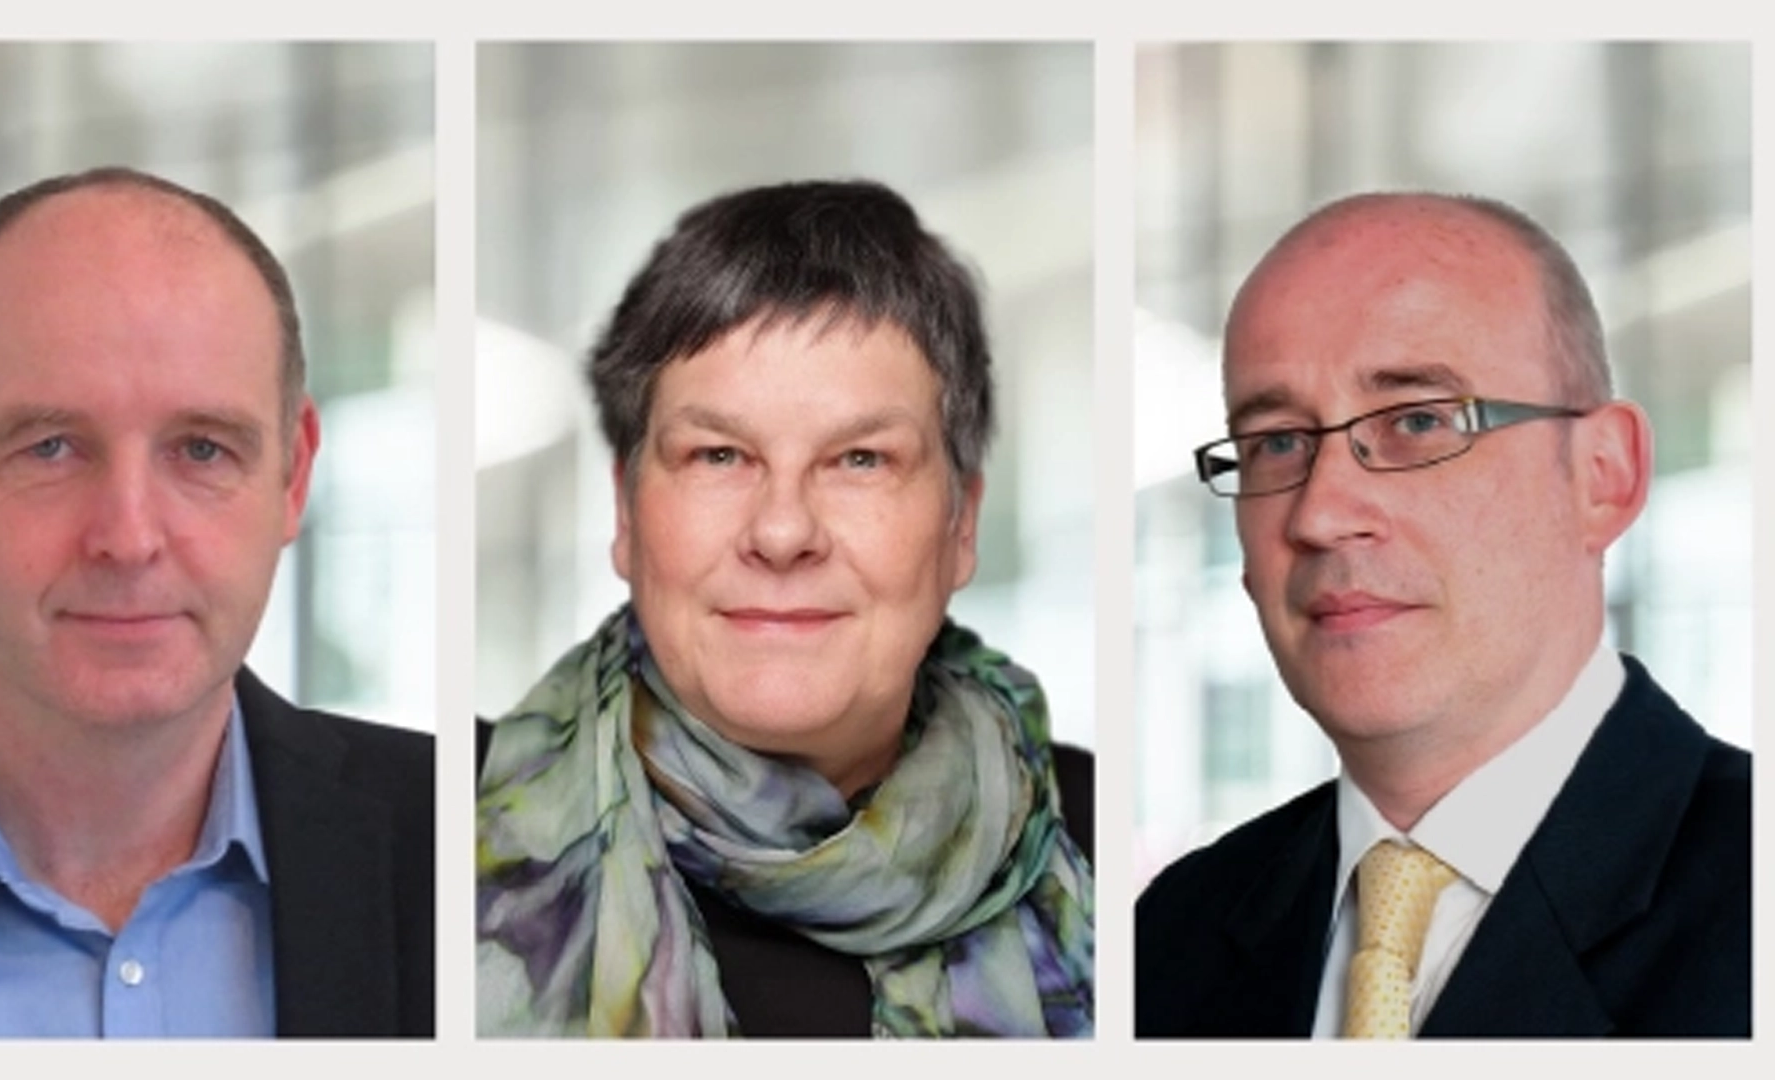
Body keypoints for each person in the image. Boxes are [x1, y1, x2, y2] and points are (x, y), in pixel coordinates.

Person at [0, 167, 434, 1038]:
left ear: (293, 475)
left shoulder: (504, 865)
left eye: (202, 450)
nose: (129, 536)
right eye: (52, 446)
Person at [475, 179, 1094, 1038]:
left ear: (961, 525)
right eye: (719, 455)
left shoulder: (1114, 848)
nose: (781, 529)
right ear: (624, 512)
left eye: (861, 460)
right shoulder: (423, 837)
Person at [1134, 191, 1750, 1037]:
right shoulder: (1169, 936)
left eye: (1418, 422)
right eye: (1277, 441)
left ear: (1604, 476)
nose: (1319, 514)